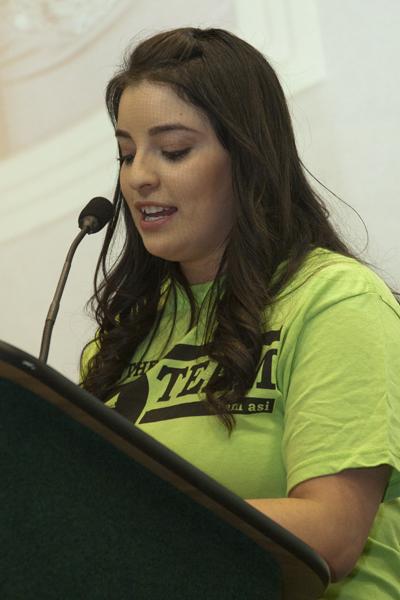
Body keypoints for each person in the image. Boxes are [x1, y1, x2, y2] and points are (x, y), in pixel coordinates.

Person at [80, 27, 400, 598]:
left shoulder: (333, 301)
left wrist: (134, 529)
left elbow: (332, 534)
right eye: (126, 153)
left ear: (248, 157)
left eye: (172, 150)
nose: (138, 177)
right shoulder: (118, 344)